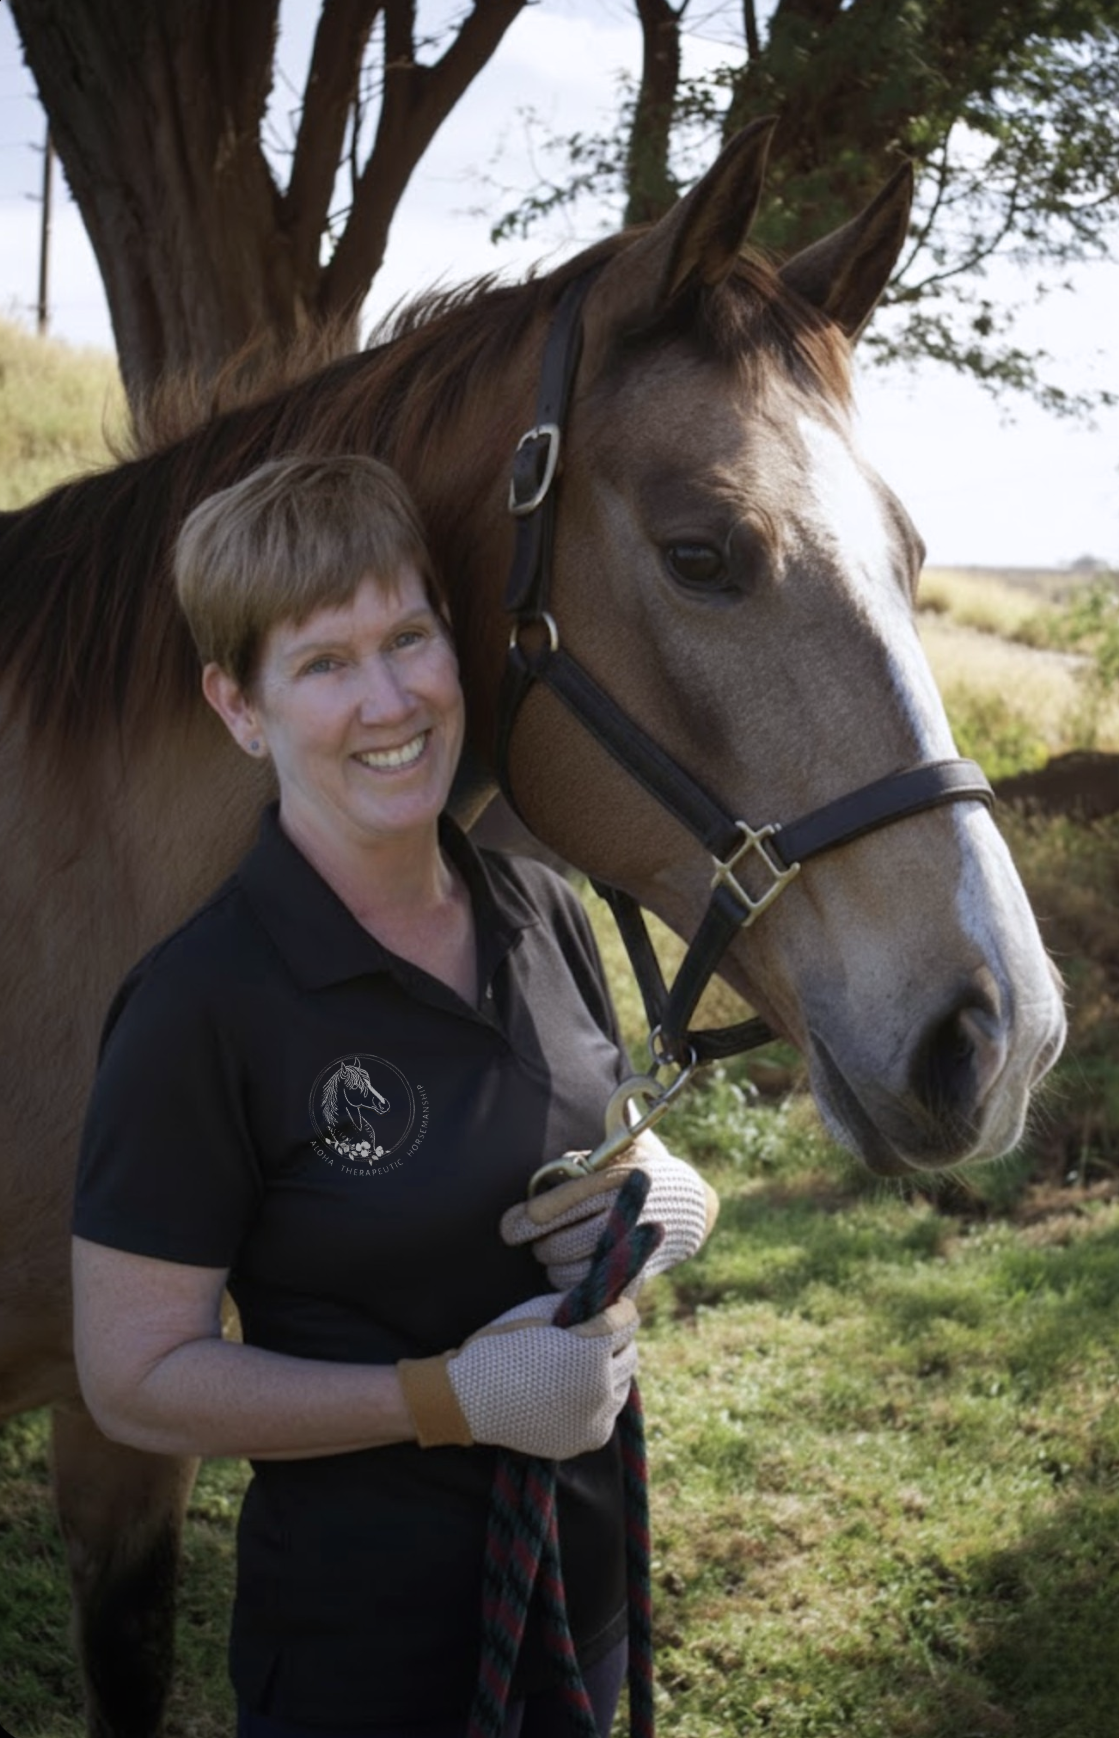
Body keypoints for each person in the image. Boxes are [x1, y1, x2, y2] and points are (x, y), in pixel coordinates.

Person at [72, 454, 718, 1738]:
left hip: (577, 1608)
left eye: (409, 636)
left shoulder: (538, 906)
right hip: (369, 1663)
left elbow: (590, 1146)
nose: (390, 699)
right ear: (240, 705)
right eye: (322, 662)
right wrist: (444, 1398)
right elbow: (135, 1376)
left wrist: (659, 1200)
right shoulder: (199, 1004)